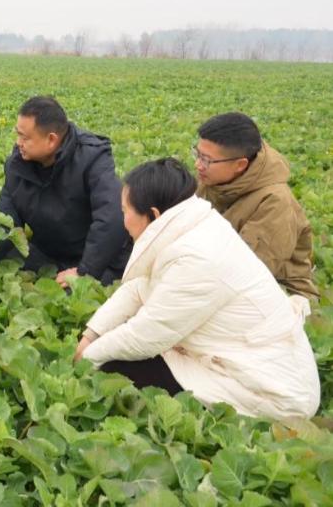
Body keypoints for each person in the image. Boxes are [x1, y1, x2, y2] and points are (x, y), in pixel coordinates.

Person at [75, 158, 320, 422]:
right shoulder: (190, 226)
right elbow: (138, 287)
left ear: (153, 215)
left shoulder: (198, 258)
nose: (123, 220)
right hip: (247, 360)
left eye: (125, 211)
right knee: (110, 348)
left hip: (272, 392)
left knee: (113, 368)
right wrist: (91, 334)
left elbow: (146, 334)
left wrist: (87, 358)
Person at [0, 96, 130, 287]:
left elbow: (112, 218)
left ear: (51, 139)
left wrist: (85, 270)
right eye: (18, 135)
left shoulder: (91, 158)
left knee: (80, 292)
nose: (18, 143)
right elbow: (6, 217)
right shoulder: (18, 164)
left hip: (96, 258)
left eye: (25, 138)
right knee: (0, 261)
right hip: (50, 255)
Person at [193, 112, 318, 300]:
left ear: (240, 165)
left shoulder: (275, 202)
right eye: (198, 154)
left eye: (206, 159)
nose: (198, 164)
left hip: (277, 293)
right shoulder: (213, 176)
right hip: (215, 270)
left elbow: (248, 274)